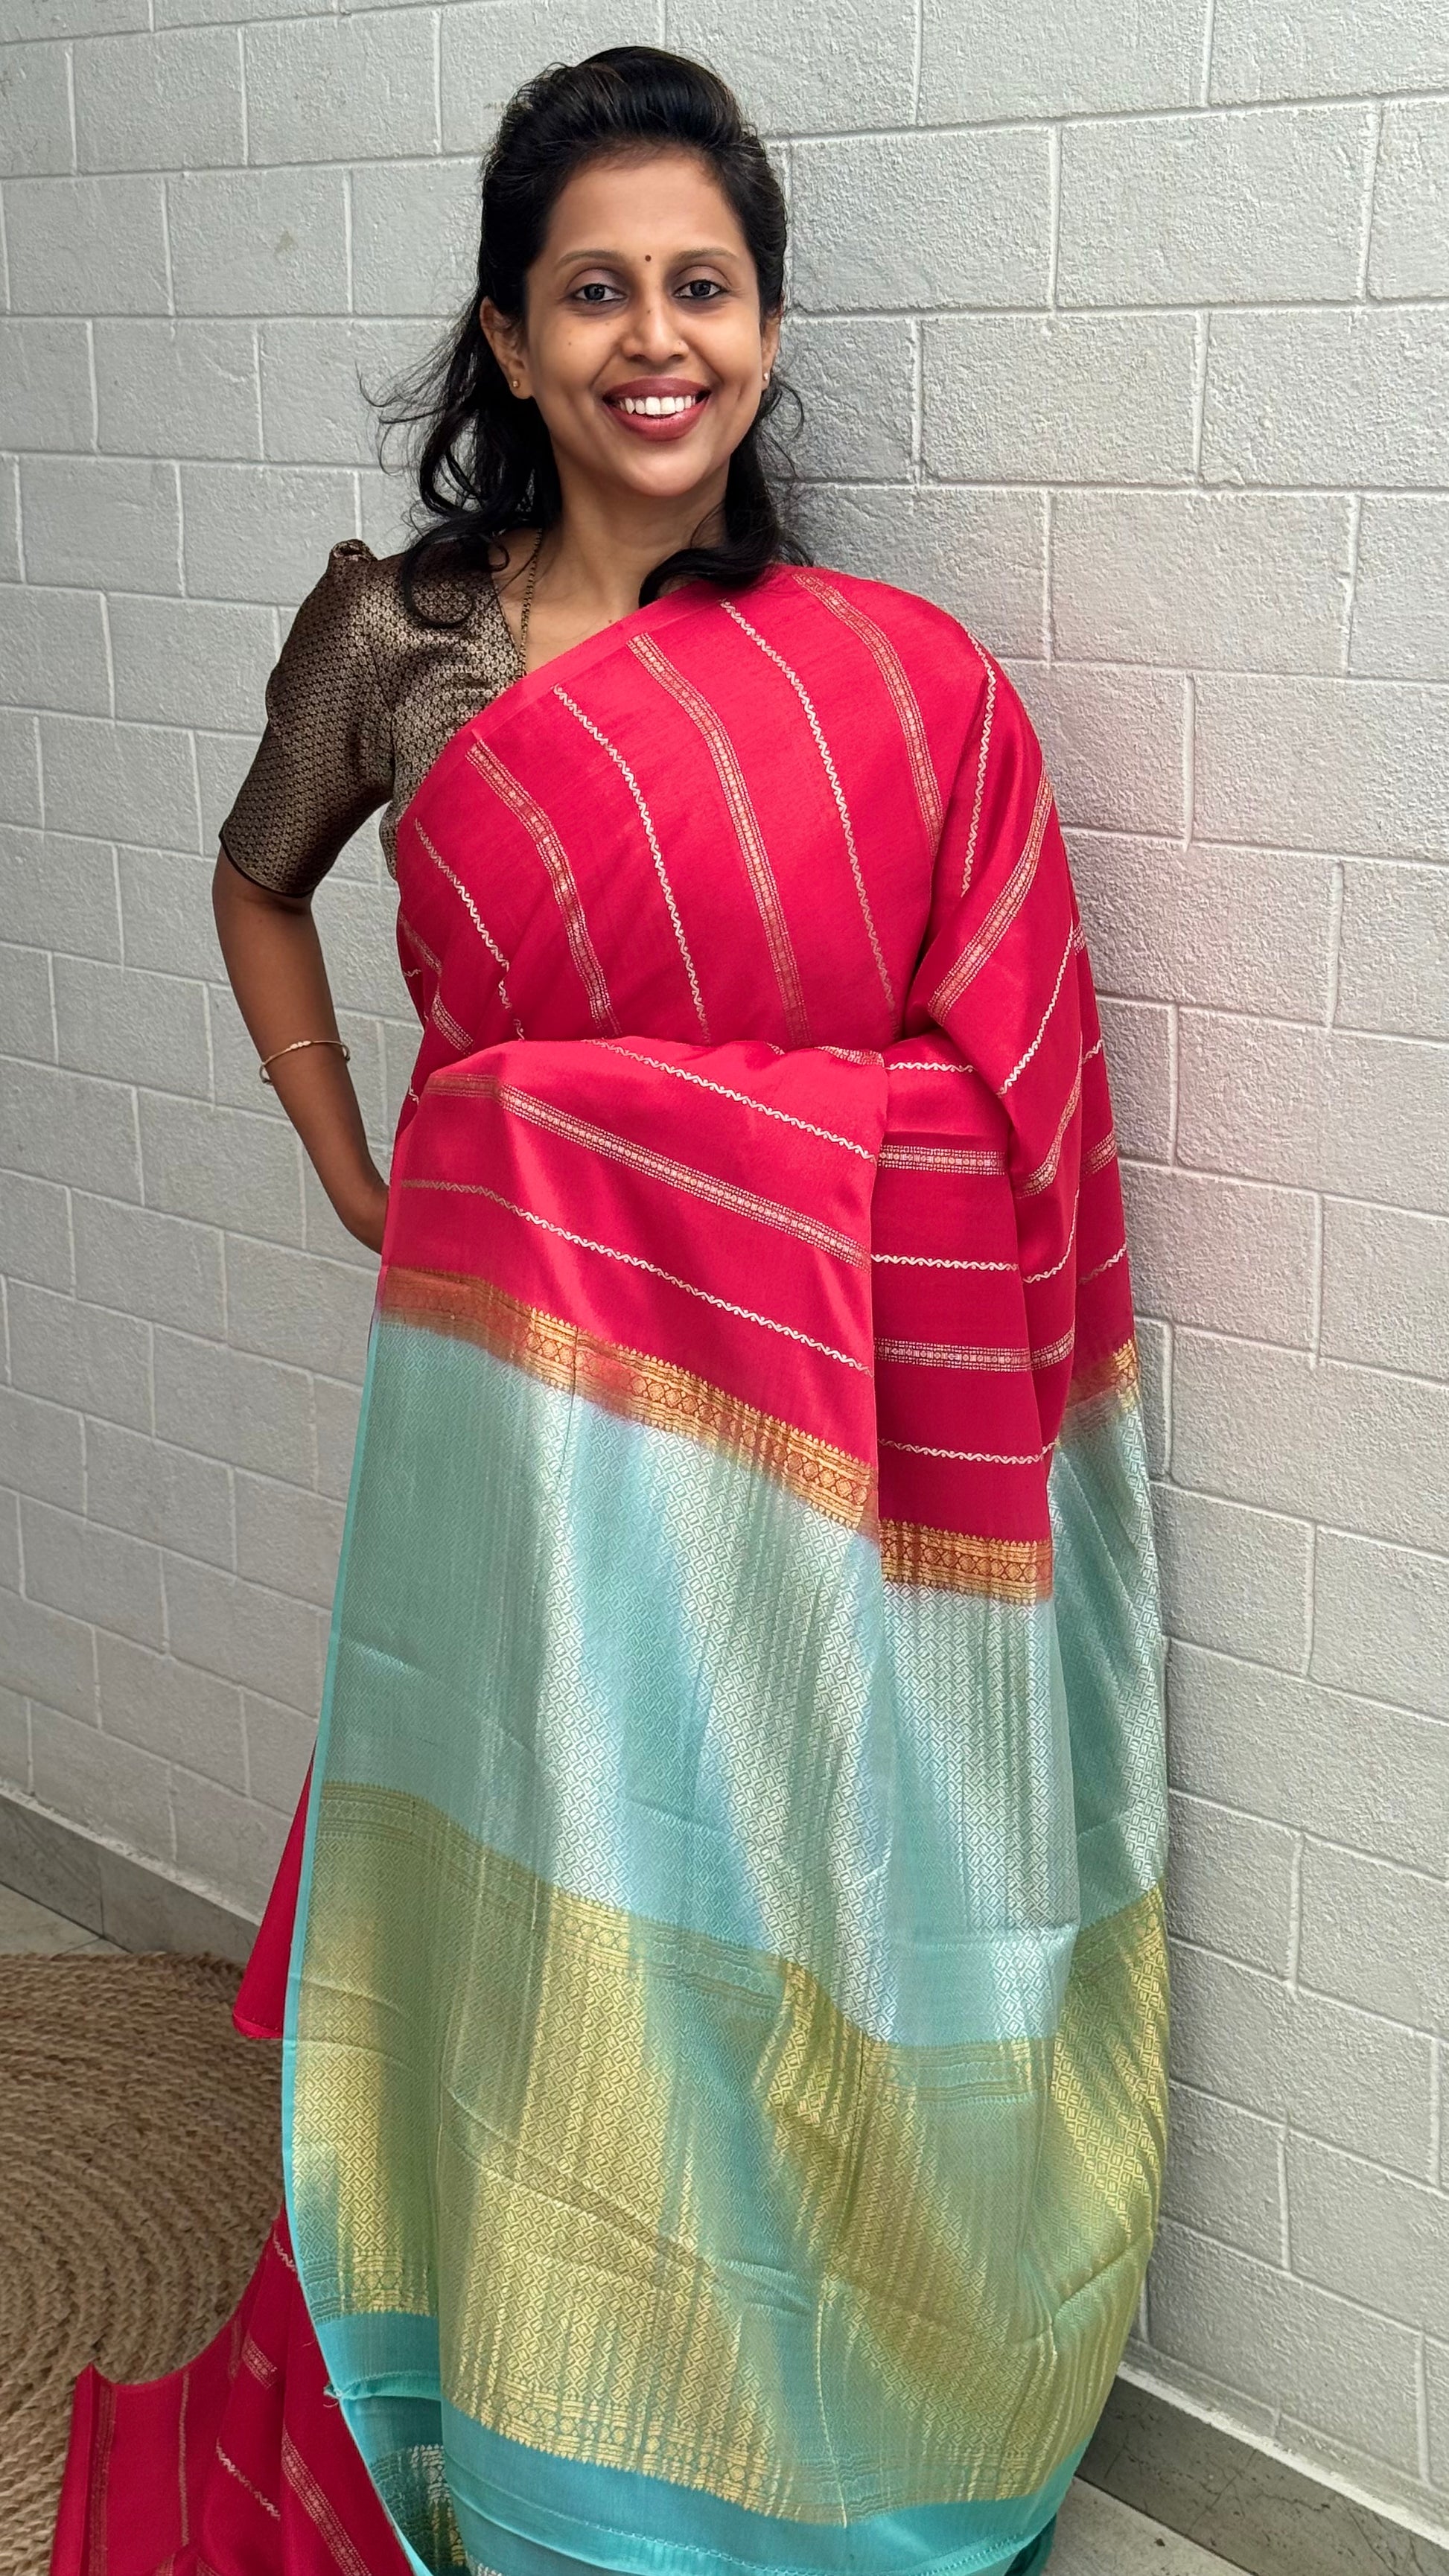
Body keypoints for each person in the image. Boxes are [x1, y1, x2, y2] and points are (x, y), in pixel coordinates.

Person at [51, 47, 1168, 2576]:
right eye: (594, 291)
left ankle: (747, 2396)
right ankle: (513, 2377)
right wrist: (354, 1150)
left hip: (797, 1434)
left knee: (748, 1875)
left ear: (762, 325)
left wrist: (627, 1125)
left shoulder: (888, 681)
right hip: (518, 1422)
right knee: (534, 1877)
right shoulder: (399, 635)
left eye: (702, 286)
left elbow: (990, 1076)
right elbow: (258, 879)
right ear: (509, 334)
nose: (655, 339)